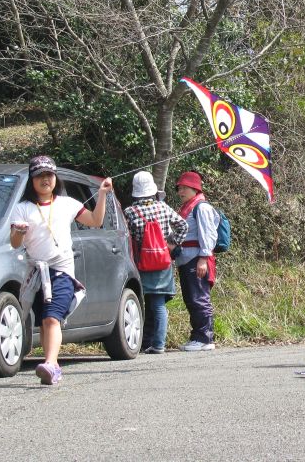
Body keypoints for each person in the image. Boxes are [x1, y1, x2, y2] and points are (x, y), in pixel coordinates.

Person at [10, 155, 113, 386]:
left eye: (49, 175)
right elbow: (15, 243)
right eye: (39, 176)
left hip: (62, 270)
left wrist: (103, 194)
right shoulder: (22, 208)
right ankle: (51, 365)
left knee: (51, 318)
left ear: (55, 177)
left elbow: (95, 221)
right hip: (37, 274)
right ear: (32, 180)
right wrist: (18, 231)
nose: (45, 180)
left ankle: (51, 364)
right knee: (43, 322)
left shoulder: (68, 203)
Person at [123, 171, 188, 354]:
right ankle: (158, 344)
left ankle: (144, 342)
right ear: (152, 191)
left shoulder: (130, 212)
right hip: (162, 261)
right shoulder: (163, 207)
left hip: (141, 262)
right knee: (158, 303)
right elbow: (183, 225)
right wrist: (171, 245)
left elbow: (127, 237)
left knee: (139, 302)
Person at [175, 170, 220, 352]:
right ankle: (197, 336)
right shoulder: (188, 207)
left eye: (185, 188)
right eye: (179, 188)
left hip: (196, 259)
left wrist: (203, 258)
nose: (181, 191)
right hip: (186, 259)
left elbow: (207, 234)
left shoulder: (201, 207)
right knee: (191, 298)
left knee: (199, 298)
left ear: (195, 188)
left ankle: (205, 338)